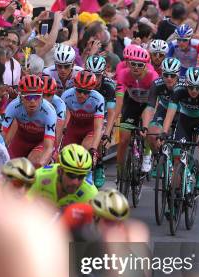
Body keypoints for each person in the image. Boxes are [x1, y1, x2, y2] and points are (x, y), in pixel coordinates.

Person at [162, 67, 199, 190]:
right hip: (185, 120)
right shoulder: (178, 89)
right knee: (177, 154)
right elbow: (169, 115)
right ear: (186, 84)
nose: (194, 91)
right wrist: (164, 132)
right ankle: (176, 194)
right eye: (190, 87)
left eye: (197, 88)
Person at [114, 45, 158, 175]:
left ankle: (146, 154)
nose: (136, 67)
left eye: (140, 65)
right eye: (133, 64)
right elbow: (119, 101)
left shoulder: (153, 75)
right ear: (128, 63)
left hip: (148, 104)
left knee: (146, 130)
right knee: (123, 139)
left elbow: (153, 103)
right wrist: (112, 123)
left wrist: (146, 125)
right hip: (132, 102)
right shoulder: (123, 74)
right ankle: (120, 171)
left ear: (146, 65)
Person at [3, 75, 57, 168]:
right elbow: (2, 137)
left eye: (36, 97)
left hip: (41, 143)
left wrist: (41, 166)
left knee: (34, 164)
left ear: (41, 97)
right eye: (28, 97)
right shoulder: (13, 106)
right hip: (21, 141)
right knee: (8, 166)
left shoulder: (49, 111)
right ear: (21, 97)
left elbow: (49, 147)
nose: (32, 101)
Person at [141, 57, 182, 173]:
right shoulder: (157, 84)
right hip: (163, 110)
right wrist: (145, 125)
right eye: (166, 75)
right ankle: (157, 157)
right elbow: (150, 106)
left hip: (181, 113)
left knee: (178, 145)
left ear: (178, 75)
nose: (169, 78)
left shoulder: (184, 85)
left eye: (172, 75)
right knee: (152, 133)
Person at [28, 143, 98, 208]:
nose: (75, 182)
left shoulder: (90, 194)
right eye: (71, 175)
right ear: (59, 171)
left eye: (81, 177)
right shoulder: (40, 176)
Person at [60, 71, 105, 165]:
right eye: (79, 91)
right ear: (74, 88)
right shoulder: (66, 96)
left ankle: (99, 169)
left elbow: (98, 128)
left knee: (86, 150)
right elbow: (61, 121)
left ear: (91, 90)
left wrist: (94, 150)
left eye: (86, 92)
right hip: (73, 128)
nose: (82, 95)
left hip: (90, 129)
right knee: (66, 157)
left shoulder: (98, 99)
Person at [85, 54, 116, 186]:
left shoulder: (109, 86)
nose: (94, 79)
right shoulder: (81, 81)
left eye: (97, 75)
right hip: (86, 115)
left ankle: (99, 166)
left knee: (100, 138)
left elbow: (111, 112)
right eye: (91, 74)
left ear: (103, 74)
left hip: (102, 116)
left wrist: (107, 133)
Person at [40, 75, 65, 148]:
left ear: (54, 94)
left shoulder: (59, 104)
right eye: (42, 95)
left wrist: (55, 151)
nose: (45, 99)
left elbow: (58, 131)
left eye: (48, 95)